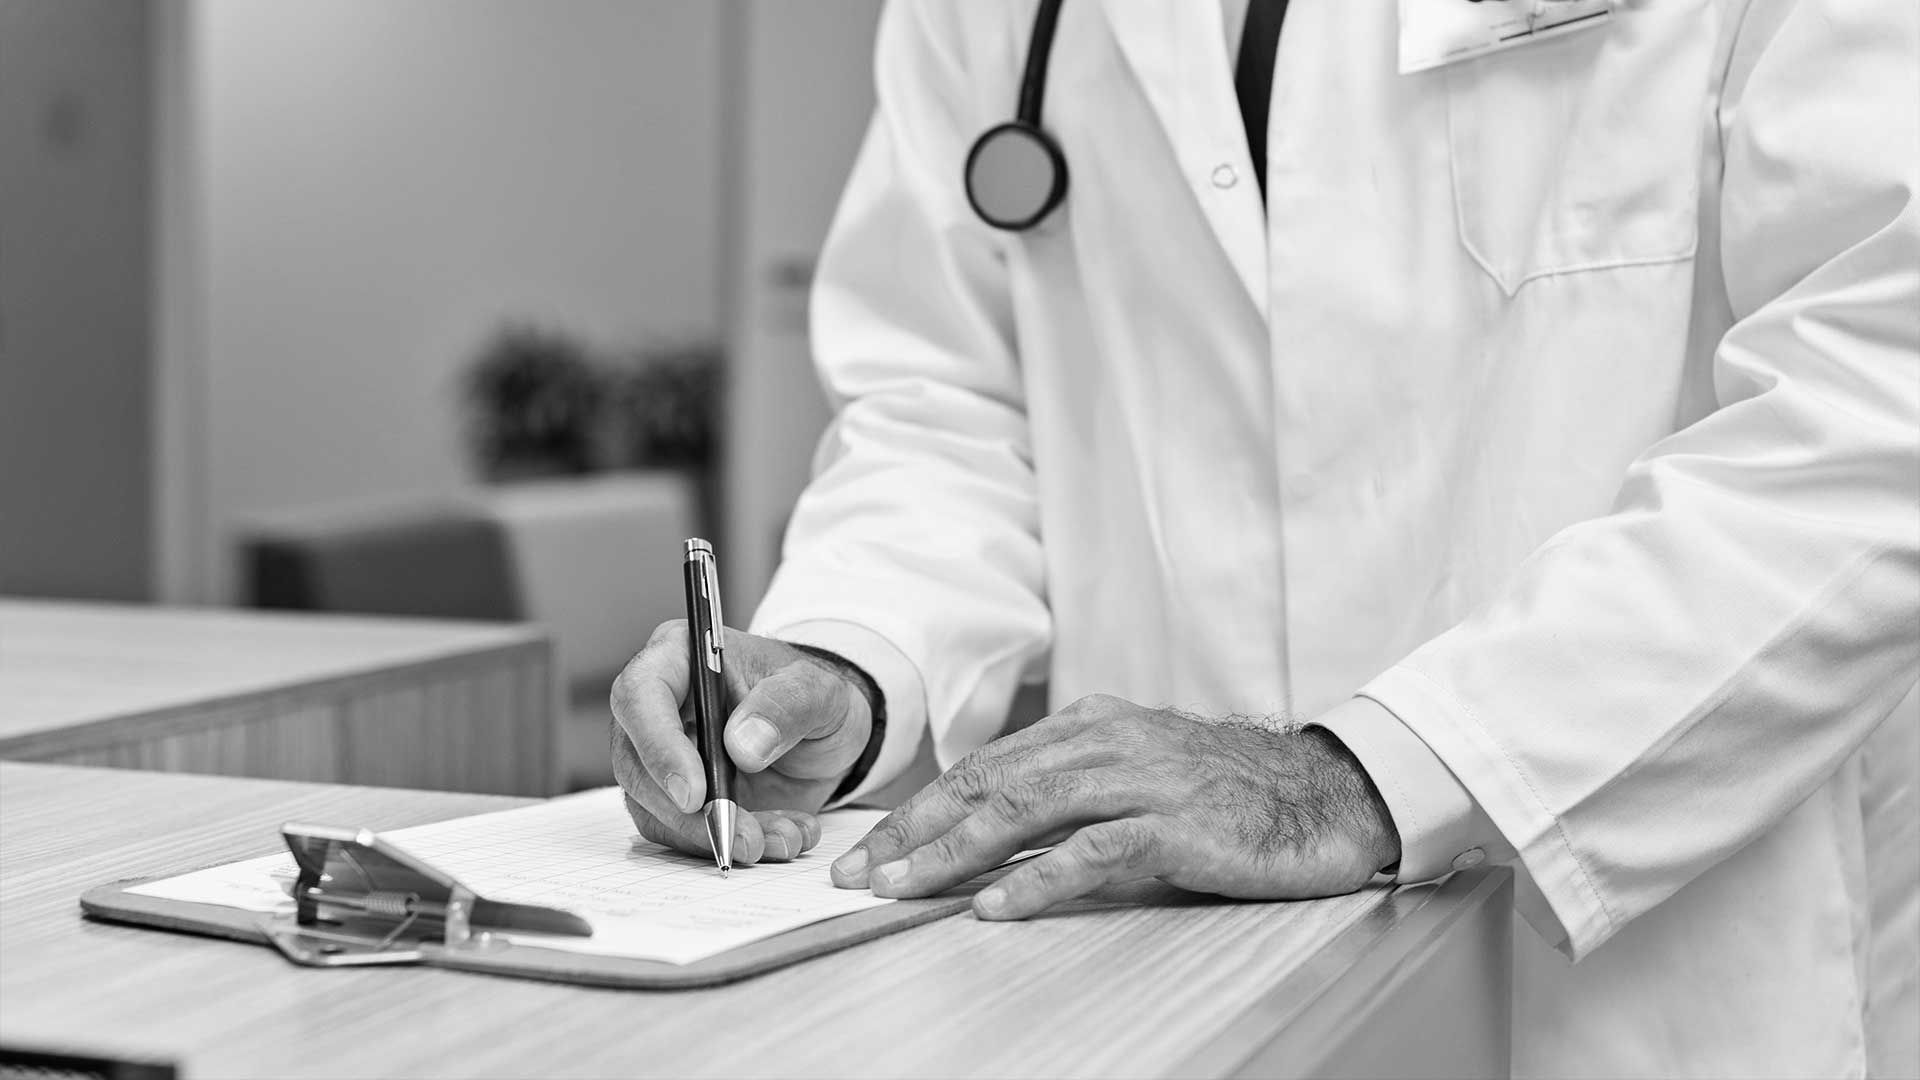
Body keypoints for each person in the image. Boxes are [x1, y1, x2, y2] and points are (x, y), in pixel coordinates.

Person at [612, 0, 1919, 1074]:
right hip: (1146, 979)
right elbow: (943, 402)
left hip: (1622, 968)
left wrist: (1367, 772)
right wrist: (848, 660)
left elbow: (1872, 418)